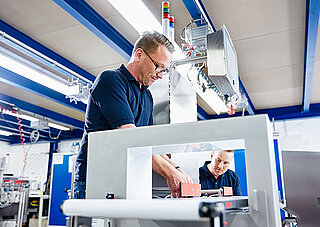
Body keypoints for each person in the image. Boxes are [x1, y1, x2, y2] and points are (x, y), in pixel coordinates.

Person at [73, 31, 192, 199]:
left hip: (127, 181)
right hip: (95, 181)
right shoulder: (111, 80)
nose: (160, 74)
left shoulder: (147, 96)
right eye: (158, 66)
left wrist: (177, 170)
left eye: (164, 70)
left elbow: (148, 143)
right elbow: (128, 136)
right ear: (139, 55)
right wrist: (169, 173)